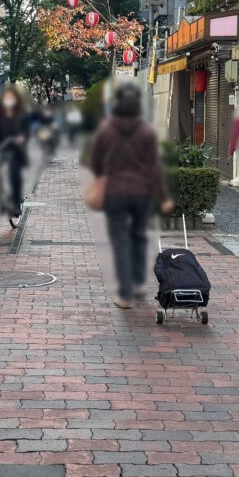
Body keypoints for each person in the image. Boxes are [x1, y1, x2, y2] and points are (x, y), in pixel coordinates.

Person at [90, 83, 174, 309]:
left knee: (120, 241)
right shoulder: (146, 131)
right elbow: (154, 167)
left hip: (115, 193)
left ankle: (125, 294)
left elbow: (96, 162)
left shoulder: (106, 130)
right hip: (142, 193)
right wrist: (163, 196)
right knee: (139, 235)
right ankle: (137, 282)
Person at [0, 84, 28, 216]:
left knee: (14, 174)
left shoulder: (21, 114)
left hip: (16, 150)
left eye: (11, 97)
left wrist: (22, 138)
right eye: (6, 97)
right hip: (0, 148)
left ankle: (16, 204)